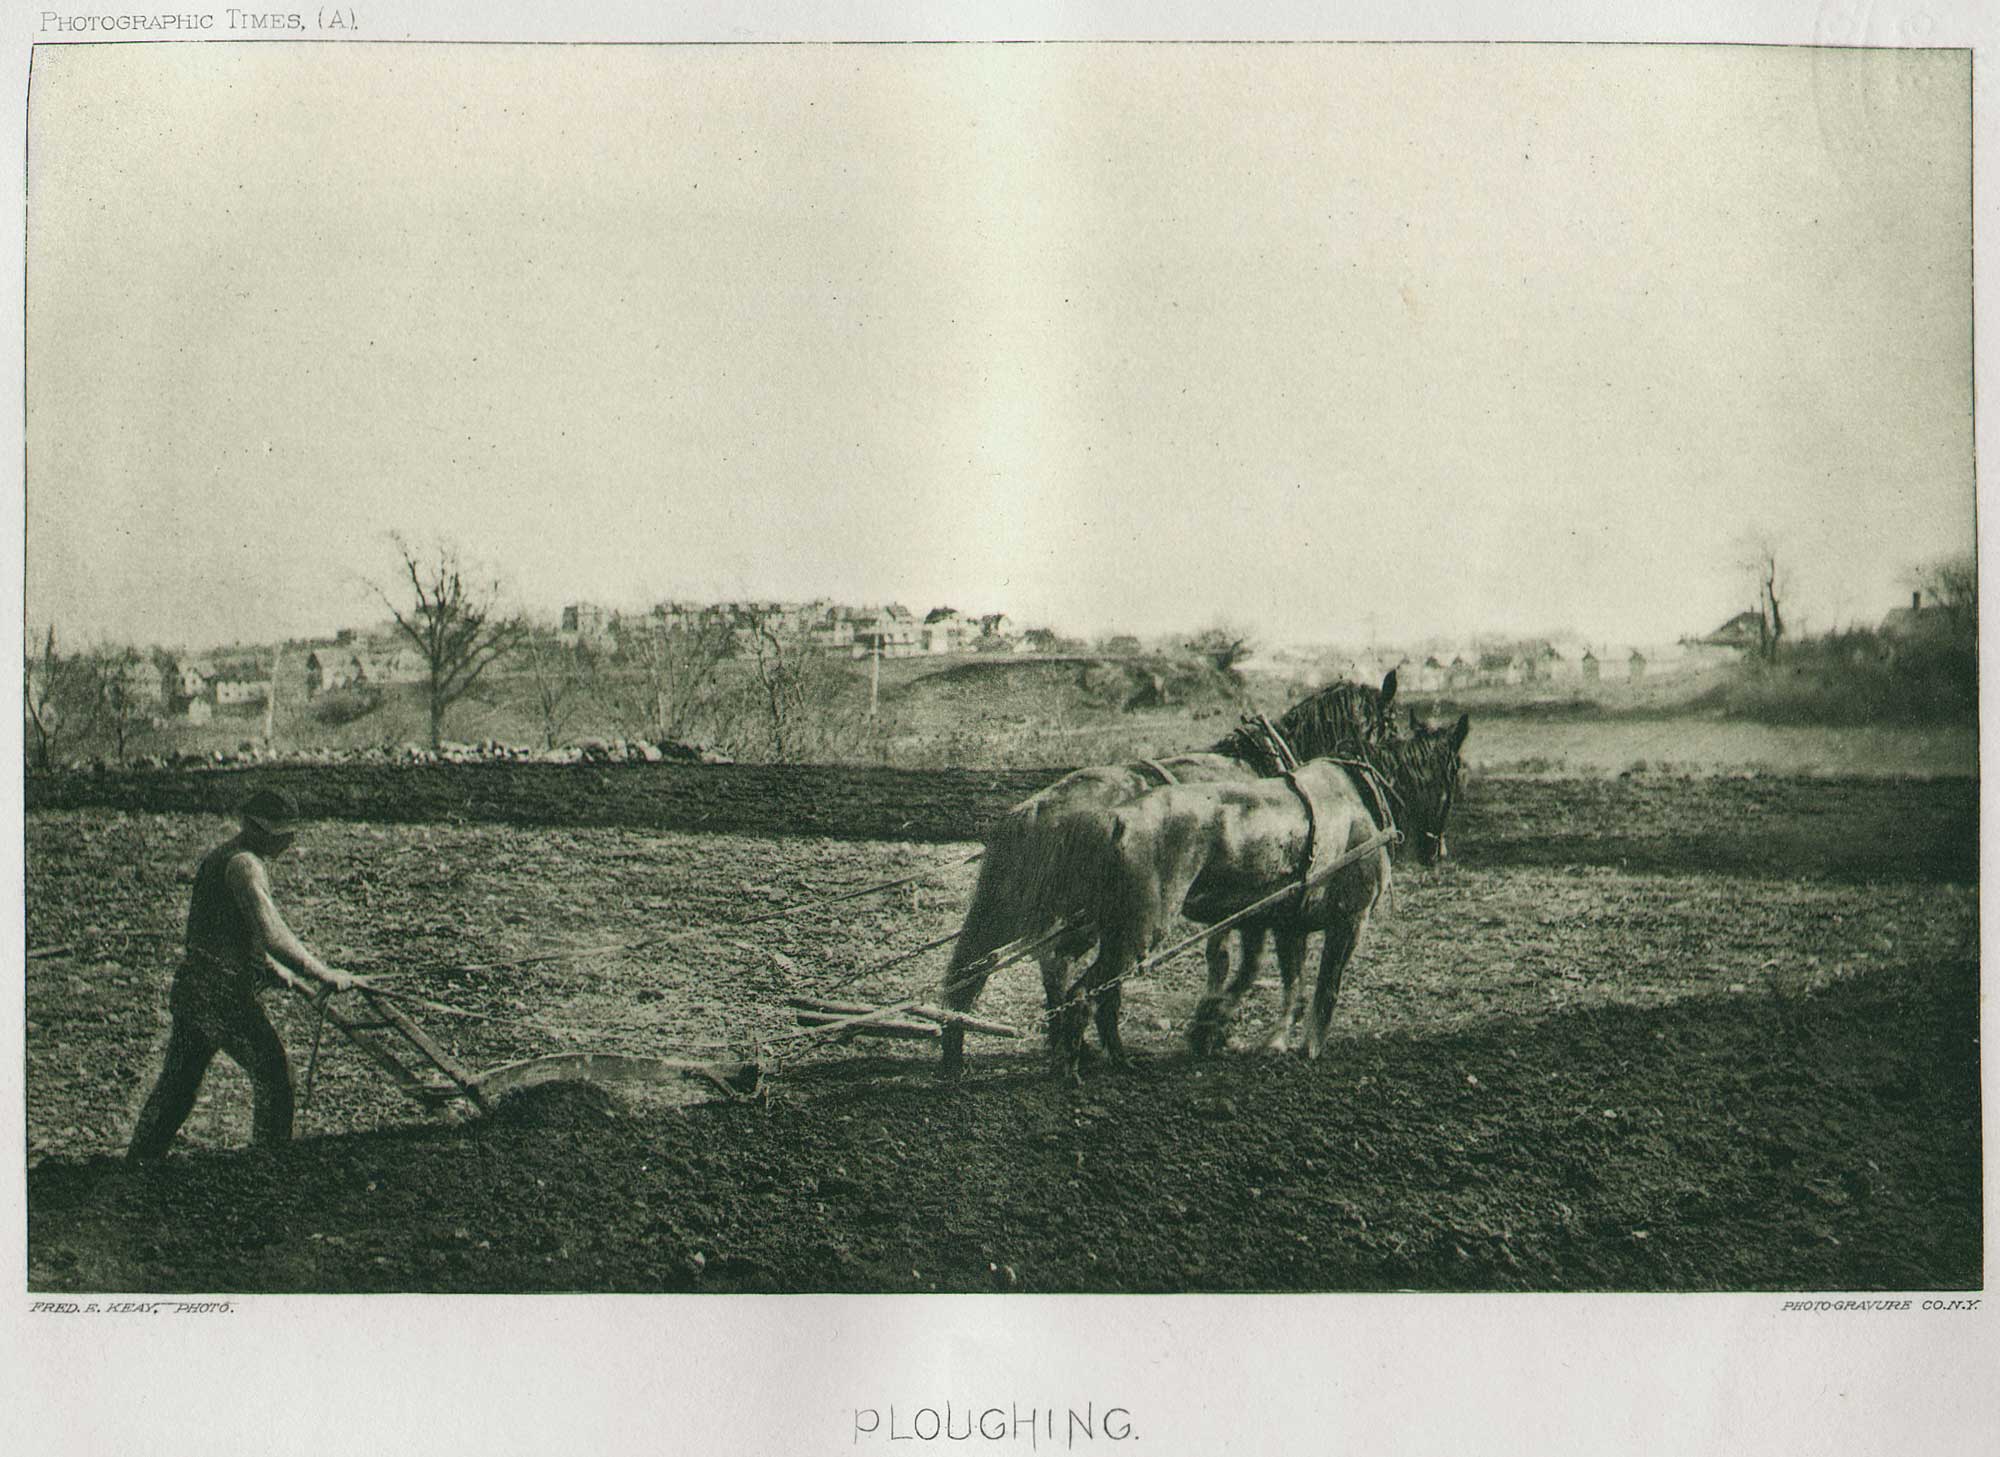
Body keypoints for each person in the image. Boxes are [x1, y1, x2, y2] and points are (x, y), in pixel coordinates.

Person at [126, 788, 357, 1162]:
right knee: (275, 1075)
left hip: (197, 988)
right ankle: (268, 1166)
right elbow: (272, 934)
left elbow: (225, 931)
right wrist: (323, 973)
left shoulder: (225, 858)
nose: (289, 842)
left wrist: (271, 969)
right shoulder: (244, 865)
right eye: (283, 834)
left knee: (178, 1087)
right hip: (221, 995)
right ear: (260, 829)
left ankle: (136, 1167)